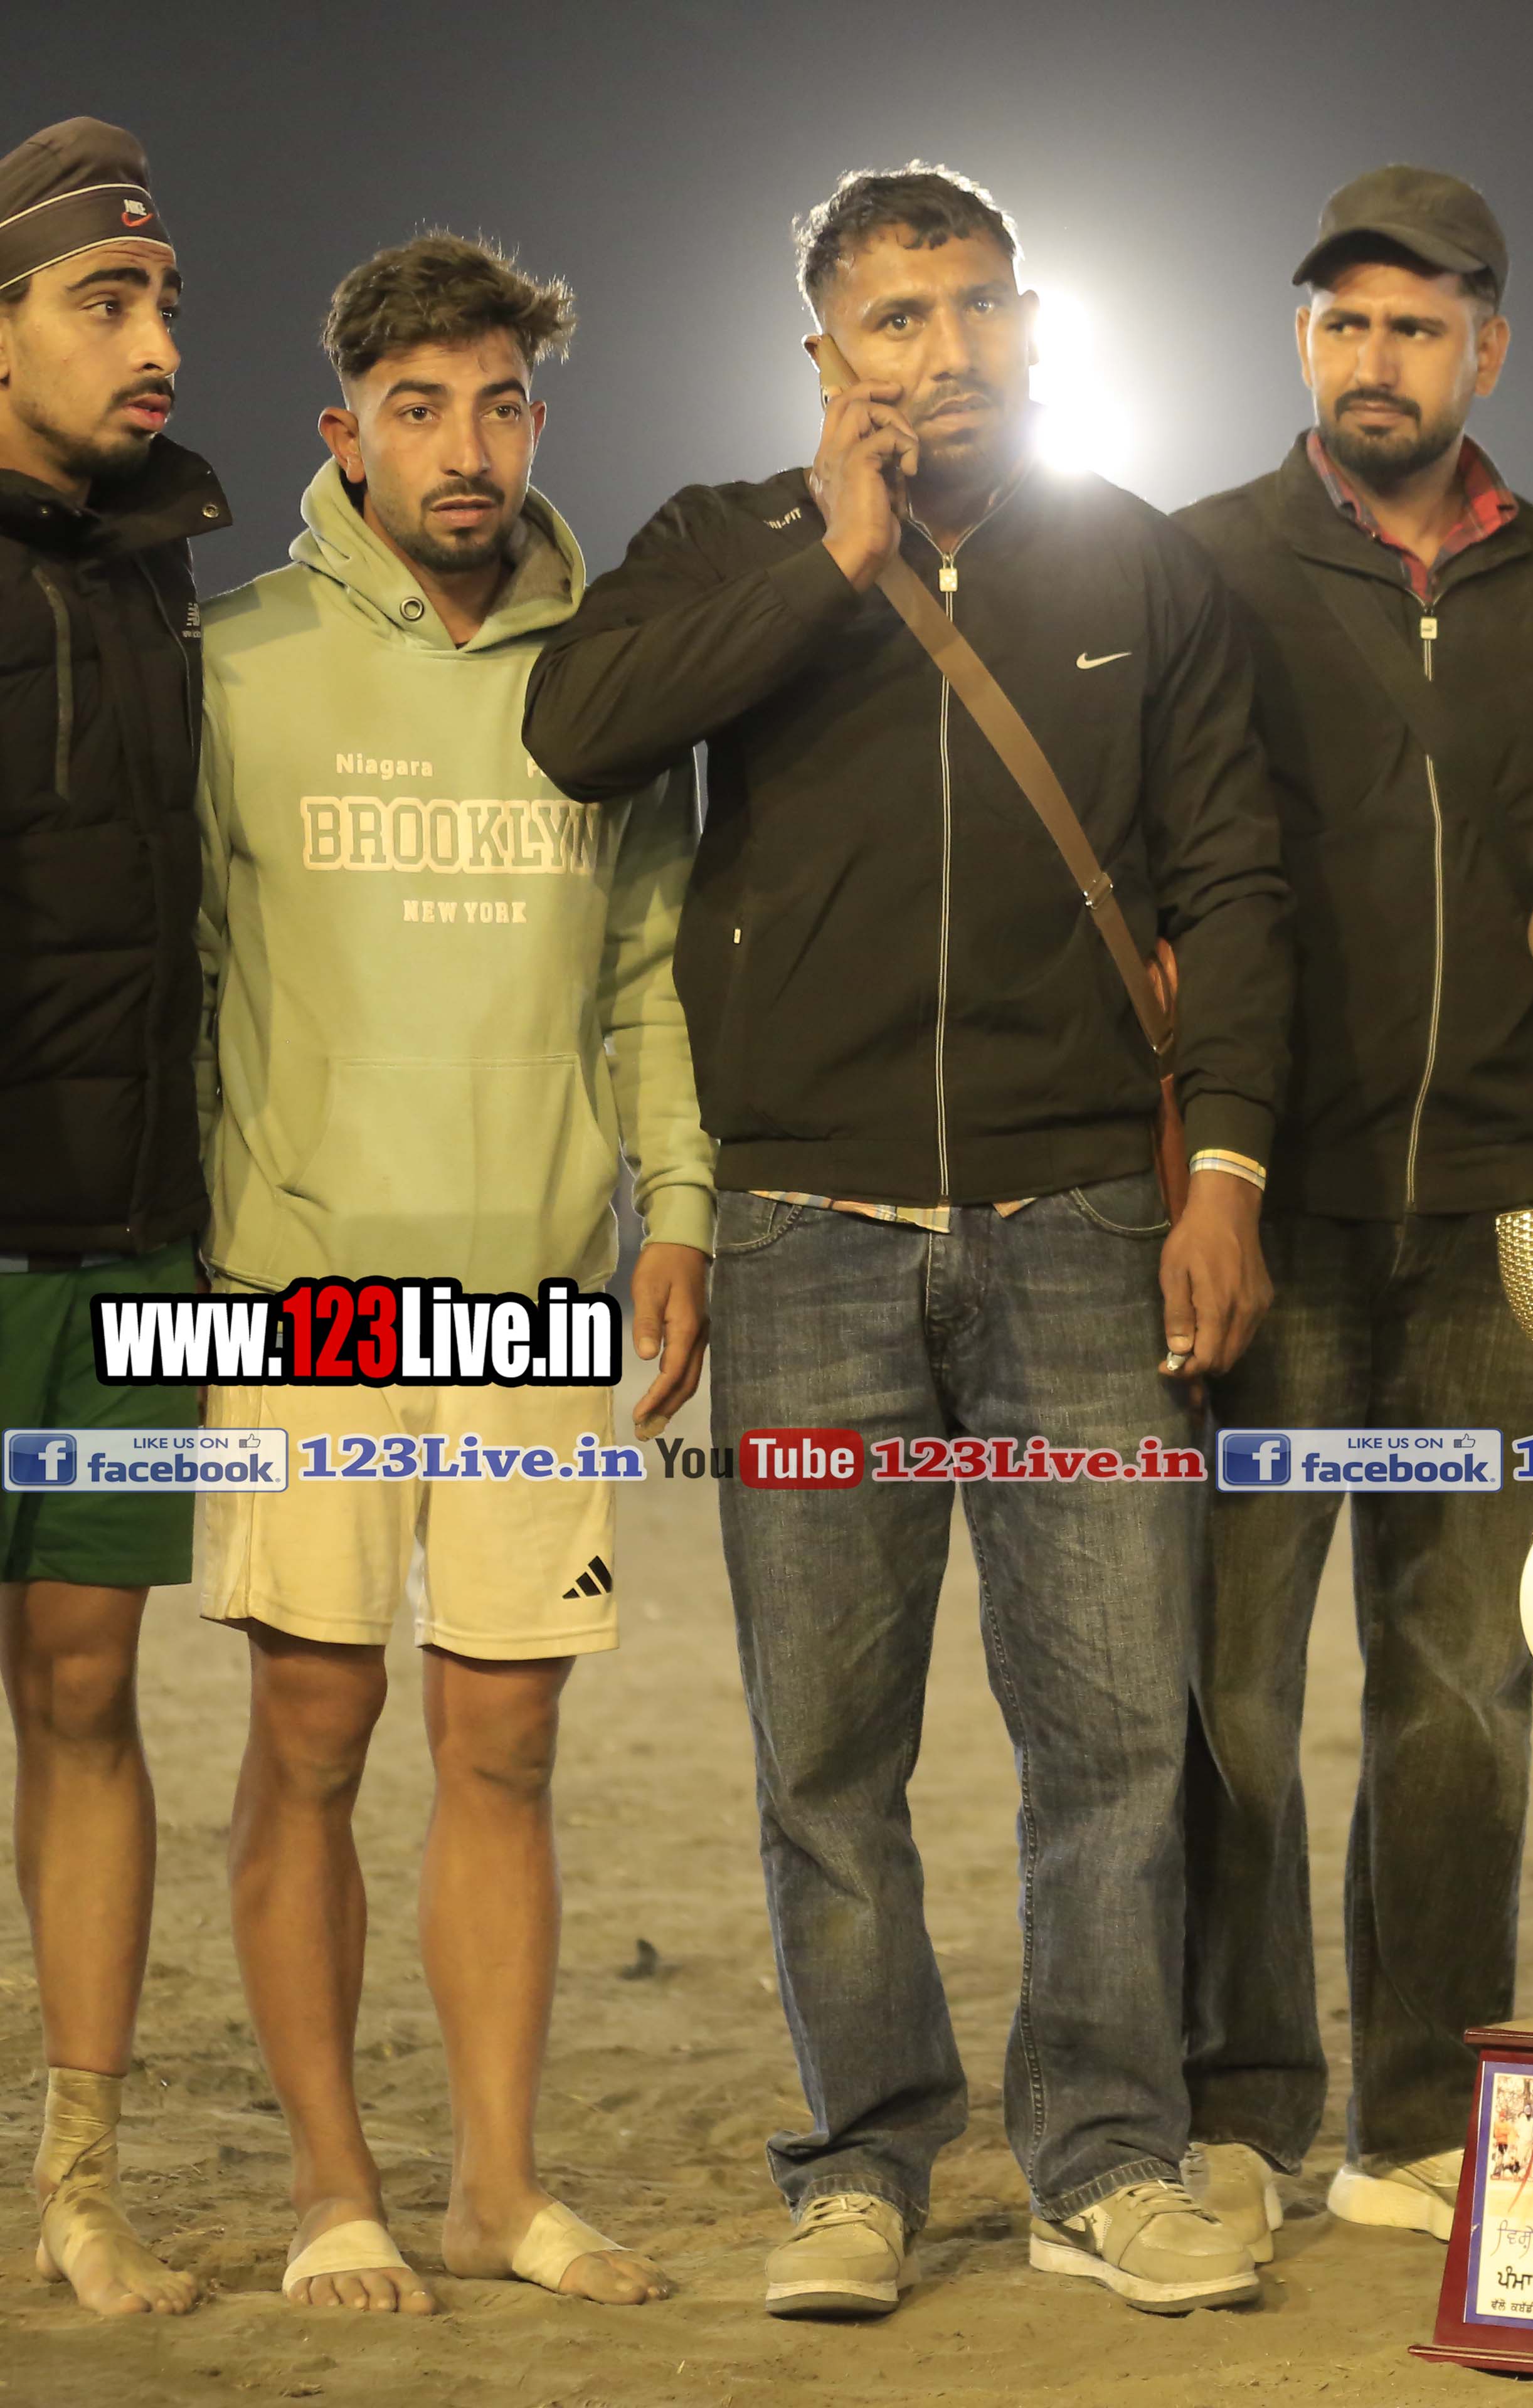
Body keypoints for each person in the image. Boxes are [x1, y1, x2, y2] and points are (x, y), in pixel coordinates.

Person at [522, 162, 1289, 2321]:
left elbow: (1235, 881)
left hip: (1085, 1229)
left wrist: (1224, 1171)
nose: (943, 353)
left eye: (975, 309)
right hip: (807, 1241)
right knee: (828, 1759)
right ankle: (858, 2166)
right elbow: (578, 727)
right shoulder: (725, 542)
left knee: (1115, 1745)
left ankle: (1105, 2160)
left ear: (1031, 324)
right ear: (825, 355)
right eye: (894, 319)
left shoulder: (1139, 564)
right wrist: (832, 563)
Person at [189, 233, 704, 2316]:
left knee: (505, 1751)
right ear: (346, 437)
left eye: (496, 405)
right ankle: (337, 2192)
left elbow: (650, 980)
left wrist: (678, 1212)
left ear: (536, 422)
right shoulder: (236, 665)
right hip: (303, 1291)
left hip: (535, 1293)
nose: (463, 447)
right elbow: (179, 977)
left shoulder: (608, 679)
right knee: (313, 1734)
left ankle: (498, 2188)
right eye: (418, 410)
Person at [1172, 164, 1533, 2257]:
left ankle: (1423, 2114)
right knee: (1231, 1691)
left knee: (1458, 1693)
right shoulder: (1199, 569)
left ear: (1487, 350)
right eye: (1346, 321)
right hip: (1271, 1219)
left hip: (1494, 1229)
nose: (1378, 359)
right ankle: (1236, 2105)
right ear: (1303, 340)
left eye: (1418, 326)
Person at [0, 113, 225, 2323]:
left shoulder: (171, 582)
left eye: (162, 300)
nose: (155, 341)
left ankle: (78, 2182)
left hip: (125, 1251)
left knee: (86, 1695)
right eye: (104, 300)